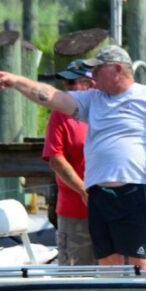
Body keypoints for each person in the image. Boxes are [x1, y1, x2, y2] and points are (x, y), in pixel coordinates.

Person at [0, 45, 146, 271]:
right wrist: (17, 81)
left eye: (98, 69)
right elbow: (50, 96)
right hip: (99, 194)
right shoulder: (92, 99)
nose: (93, 75)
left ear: (118, 69)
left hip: (135, 192)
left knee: (142, 258)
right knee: (107, 260)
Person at [42, 59, 96, 266]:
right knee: (74, 275)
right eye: (66, 84)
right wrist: (83, 190)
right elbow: (55, 158)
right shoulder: (60, 114)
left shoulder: (109, 111)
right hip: (74, 212)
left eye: (73, 83)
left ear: (91, 85)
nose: (67, 88)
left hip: (113, 210)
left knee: (117, 272)